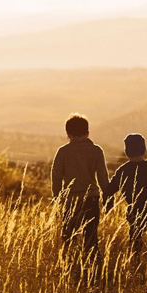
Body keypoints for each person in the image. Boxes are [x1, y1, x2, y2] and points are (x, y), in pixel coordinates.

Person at [51, 114, 111, 266]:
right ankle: (94, 272)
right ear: (87, 133)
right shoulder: (96, 151)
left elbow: (56, 178)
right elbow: (103, 178)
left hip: (69, 202)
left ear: (68, 134)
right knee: (91, 240)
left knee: (68, 240)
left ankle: (70, 270)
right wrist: (108, 198)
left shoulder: (62, 152)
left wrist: (57, 199)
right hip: (91, 200)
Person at [110, 133, 147, 269]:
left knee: (135, 244)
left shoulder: (123, 170)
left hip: (134, 211)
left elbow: (109, 189)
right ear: (144, 149)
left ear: (126, 151)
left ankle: (137, 271)